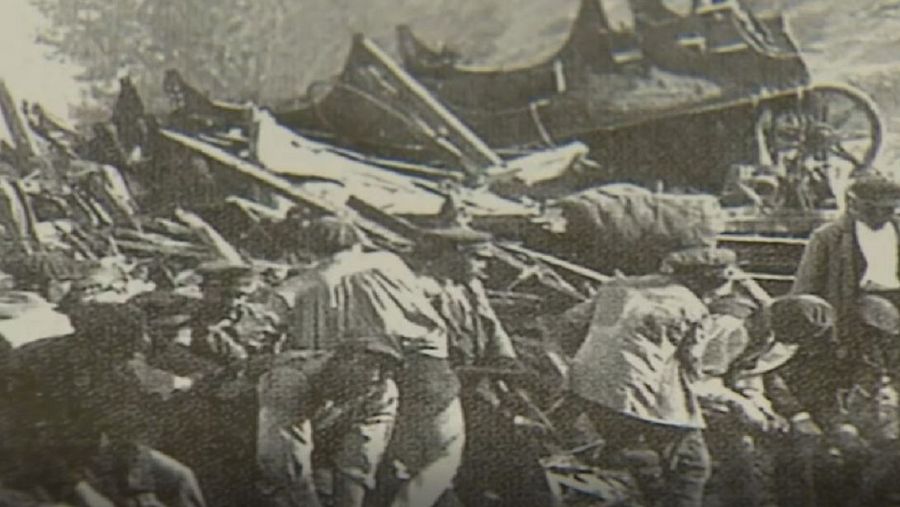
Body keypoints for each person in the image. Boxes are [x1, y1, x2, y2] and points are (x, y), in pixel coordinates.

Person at [276, 216, 463, 507]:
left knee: (354, 460)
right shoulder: (387, 261)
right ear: (356, 241)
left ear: (309, 248)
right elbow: (425, 292)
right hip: (421, 366)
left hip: (348, 372)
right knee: (442, 456)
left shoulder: (303, 284)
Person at [4, 302, 205, 507]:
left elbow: (128, 434)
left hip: (89, 452)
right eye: (127, 345)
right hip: (30, 462)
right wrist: (78, 489)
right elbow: (30, 443)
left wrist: (140, 489)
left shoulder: (117, 368)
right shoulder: (43, 369)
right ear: (99, 343)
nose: (142, 345)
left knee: (181, 479)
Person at [566, 247, 722, 507]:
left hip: (587, 383)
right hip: (636, 388)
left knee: (634, 454)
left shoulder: (616, 287)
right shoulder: (692, 306)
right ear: (703, 280)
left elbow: (571, 322)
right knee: (691, 465)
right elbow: (691, 362)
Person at [793, 174, 900, 338]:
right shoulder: (829, 237)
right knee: (876, 311)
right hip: (852, 306)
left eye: (888, 210)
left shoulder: (897, 230)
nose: (879, 215)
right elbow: (806, 286)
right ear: (852, 205)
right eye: (870, 209)